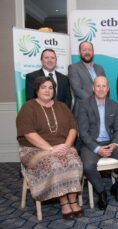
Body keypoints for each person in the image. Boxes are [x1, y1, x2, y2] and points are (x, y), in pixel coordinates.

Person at [16, 76, 83, 220]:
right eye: (43, 87)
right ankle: (64, 202)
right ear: (37, 90)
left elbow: (73, 128)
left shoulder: (62, 107)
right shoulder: (28, 107)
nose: (47, 90)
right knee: (55, 164)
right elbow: (29, 134)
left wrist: (66, 145)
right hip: (35, 149)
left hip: (63, 145)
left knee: (74, 162)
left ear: (54, 90)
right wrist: (51, 149)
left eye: (50, 87)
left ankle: (73, 200)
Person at [77, 76, 118, 211]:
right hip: (91, 144)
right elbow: (83, 133)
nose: (101, 89)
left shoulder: (113, 105)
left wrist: (115, 144)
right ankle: (101, 192)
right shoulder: (84, 104)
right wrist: (97, 148)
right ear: (93, 88)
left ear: (108, 89)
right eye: (98, 86)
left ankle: (117, 187)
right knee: (87, 165)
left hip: (110, 142)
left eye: (104, 86)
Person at [68, 41, 106, 117]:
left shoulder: (99, 68)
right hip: (83, 110)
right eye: (84, 50)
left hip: (101, 109)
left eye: (89, 50)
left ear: (93, 52)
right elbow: (77, 90)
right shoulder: (73, 68)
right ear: (79, 52)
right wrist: (95, 103)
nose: (87, 52)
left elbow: (106, 87)